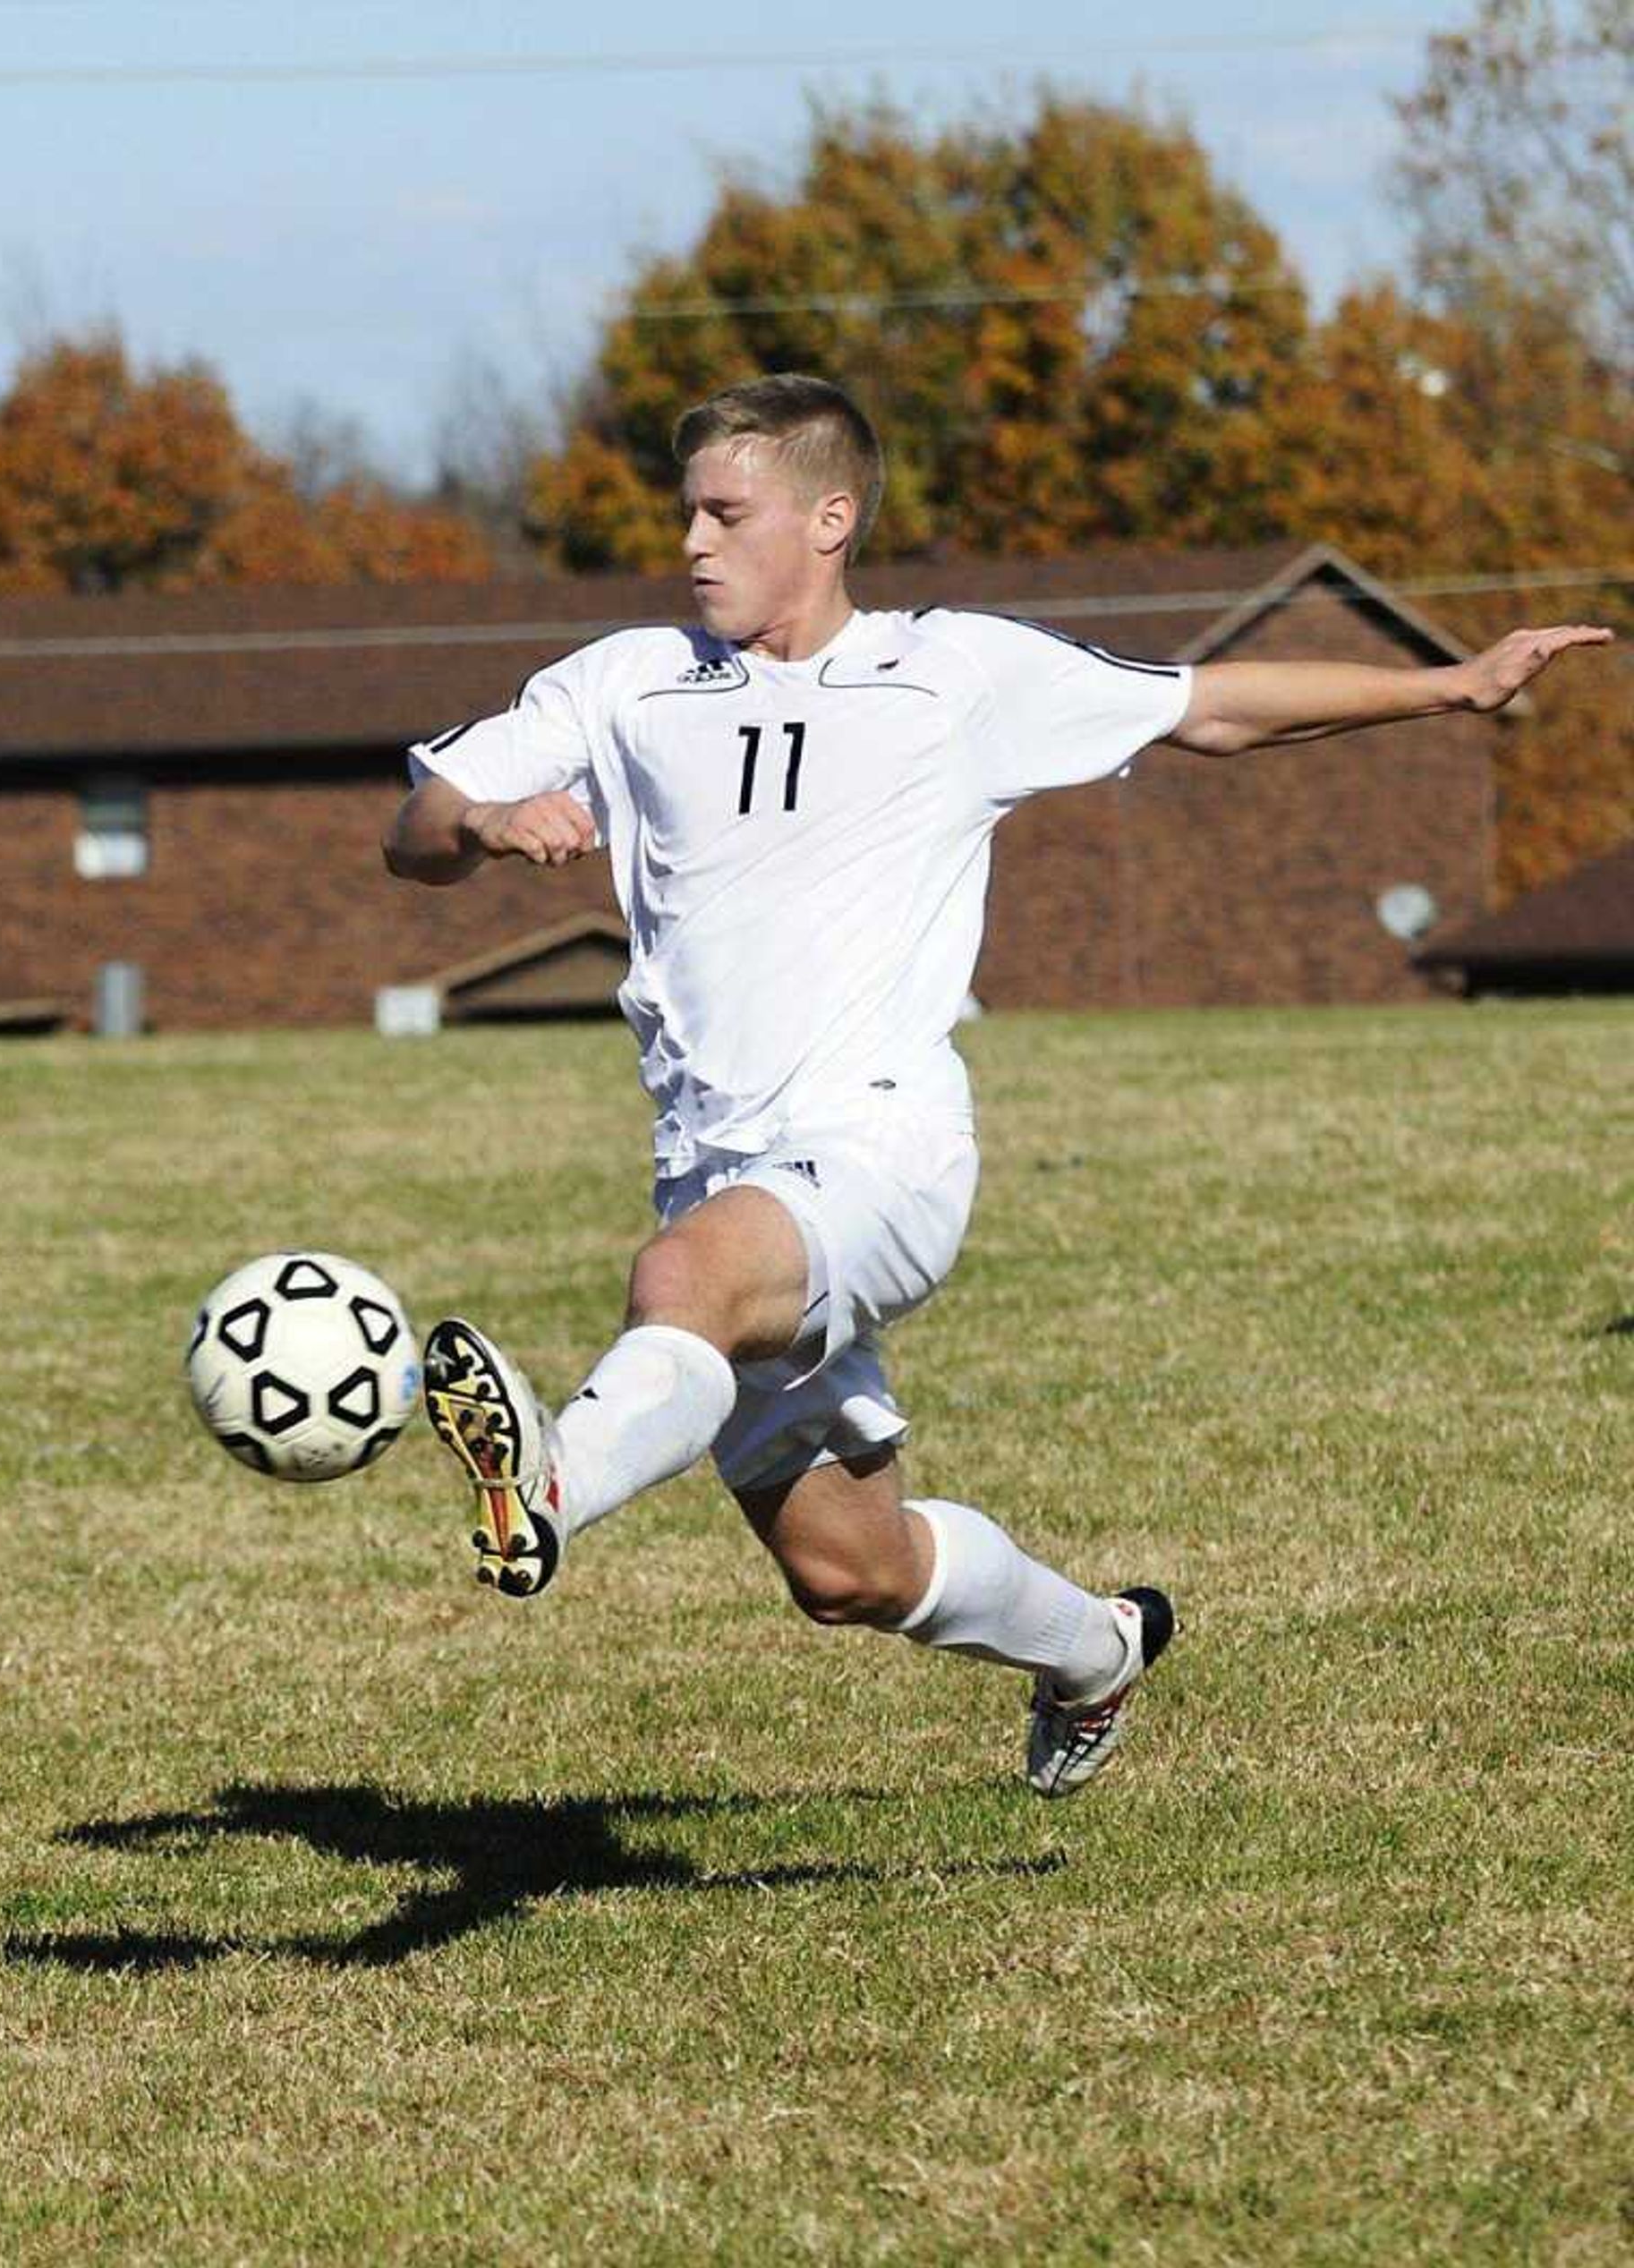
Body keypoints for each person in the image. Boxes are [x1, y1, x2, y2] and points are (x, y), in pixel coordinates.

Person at [385, 374, 1609, 1798]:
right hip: (719, 1164)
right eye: (687, 516)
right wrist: (482, 818)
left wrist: (1449, 685)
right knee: (847, 1569)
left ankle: (550, 1487)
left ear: (830, 519)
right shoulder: (623, 682)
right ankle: (1096, 1647)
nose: (695, 545)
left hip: (882, 1144)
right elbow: (412, 827)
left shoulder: (954, 675)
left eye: (728, 512)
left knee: (681, 1283)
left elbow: (1205, 708)